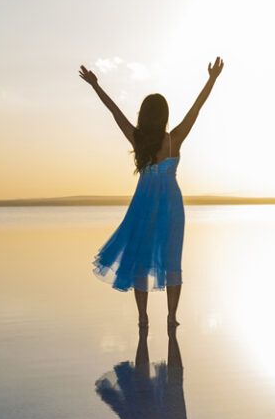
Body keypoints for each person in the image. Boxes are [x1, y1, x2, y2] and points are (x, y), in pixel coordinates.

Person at [80, 56, 224, 328]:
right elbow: (197, 108)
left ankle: (142, 317)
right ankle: (172, 317)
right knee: (172, 261)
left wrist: (95, 86)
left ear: (144, 116)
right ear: (164, 116)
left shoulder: (138, 140)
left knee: (140, 260)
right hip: (171, 205)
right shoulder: (175, 139)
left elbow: (115, 112)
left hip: (143, 206)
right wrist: (212, 79)